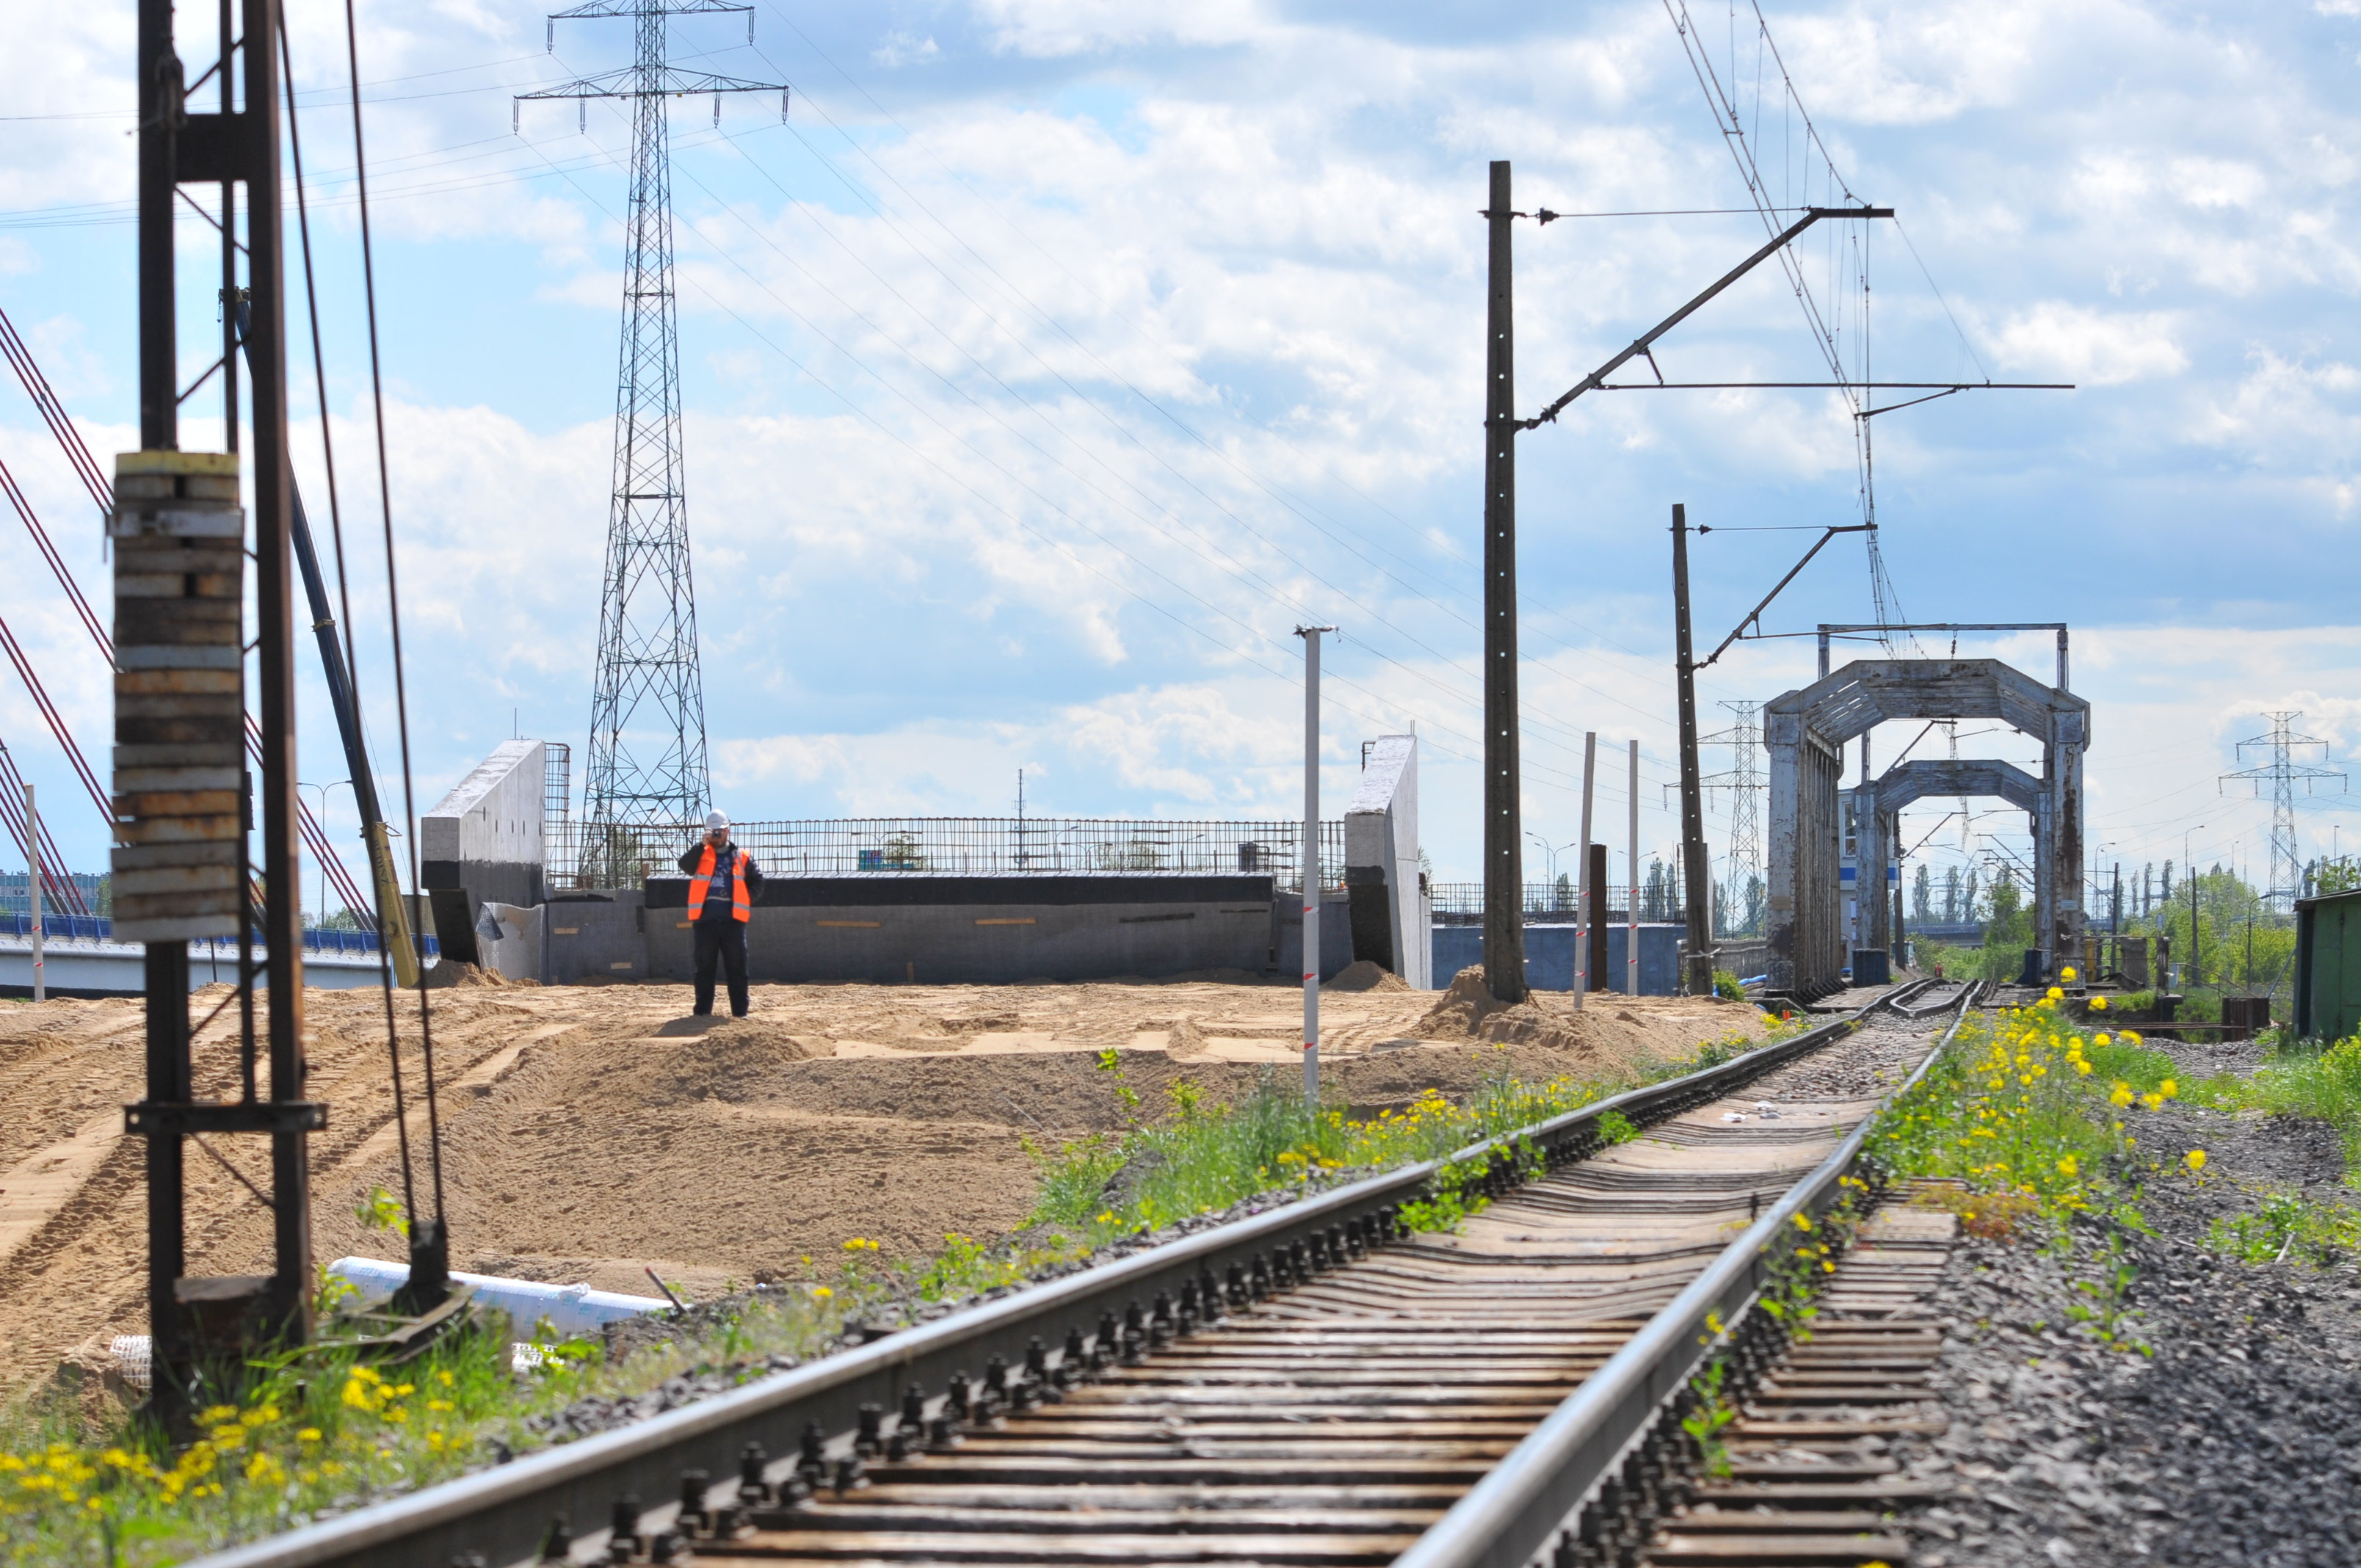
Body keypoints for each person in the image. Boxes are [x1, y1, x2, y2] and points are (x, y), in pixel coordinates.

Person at [679, 810, 764, 1017]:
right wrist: (701, 845)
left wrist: (745, 899)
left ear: (728, 831)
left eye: (720, 831)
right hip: (705, 923)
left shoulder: (741, 857)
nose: (717, 835)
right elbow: (685, 866)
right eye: (713, 831)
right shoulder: (701, 854)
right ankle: (702, 1013)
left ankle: (740, 1013)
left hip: (733, 923)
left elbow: (758, 881)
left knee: (737, 968)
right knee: (704, 969)